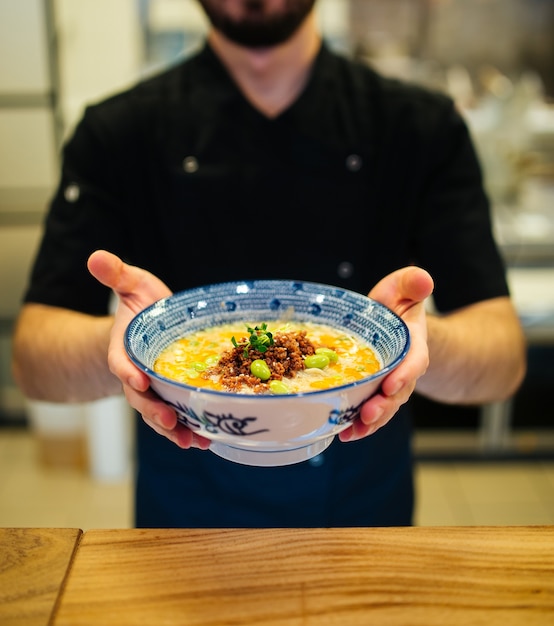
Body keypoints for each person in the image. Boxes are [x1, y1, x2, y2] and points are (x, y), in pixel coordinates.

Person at [12, 0, 526, 527]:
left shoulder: (420, 125)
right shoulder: (117, 132)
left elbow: (503, 359)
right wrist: (127, 343)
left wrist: (410, 344)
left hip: (361, 516)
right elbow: (33, 359)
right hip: (187, 517)